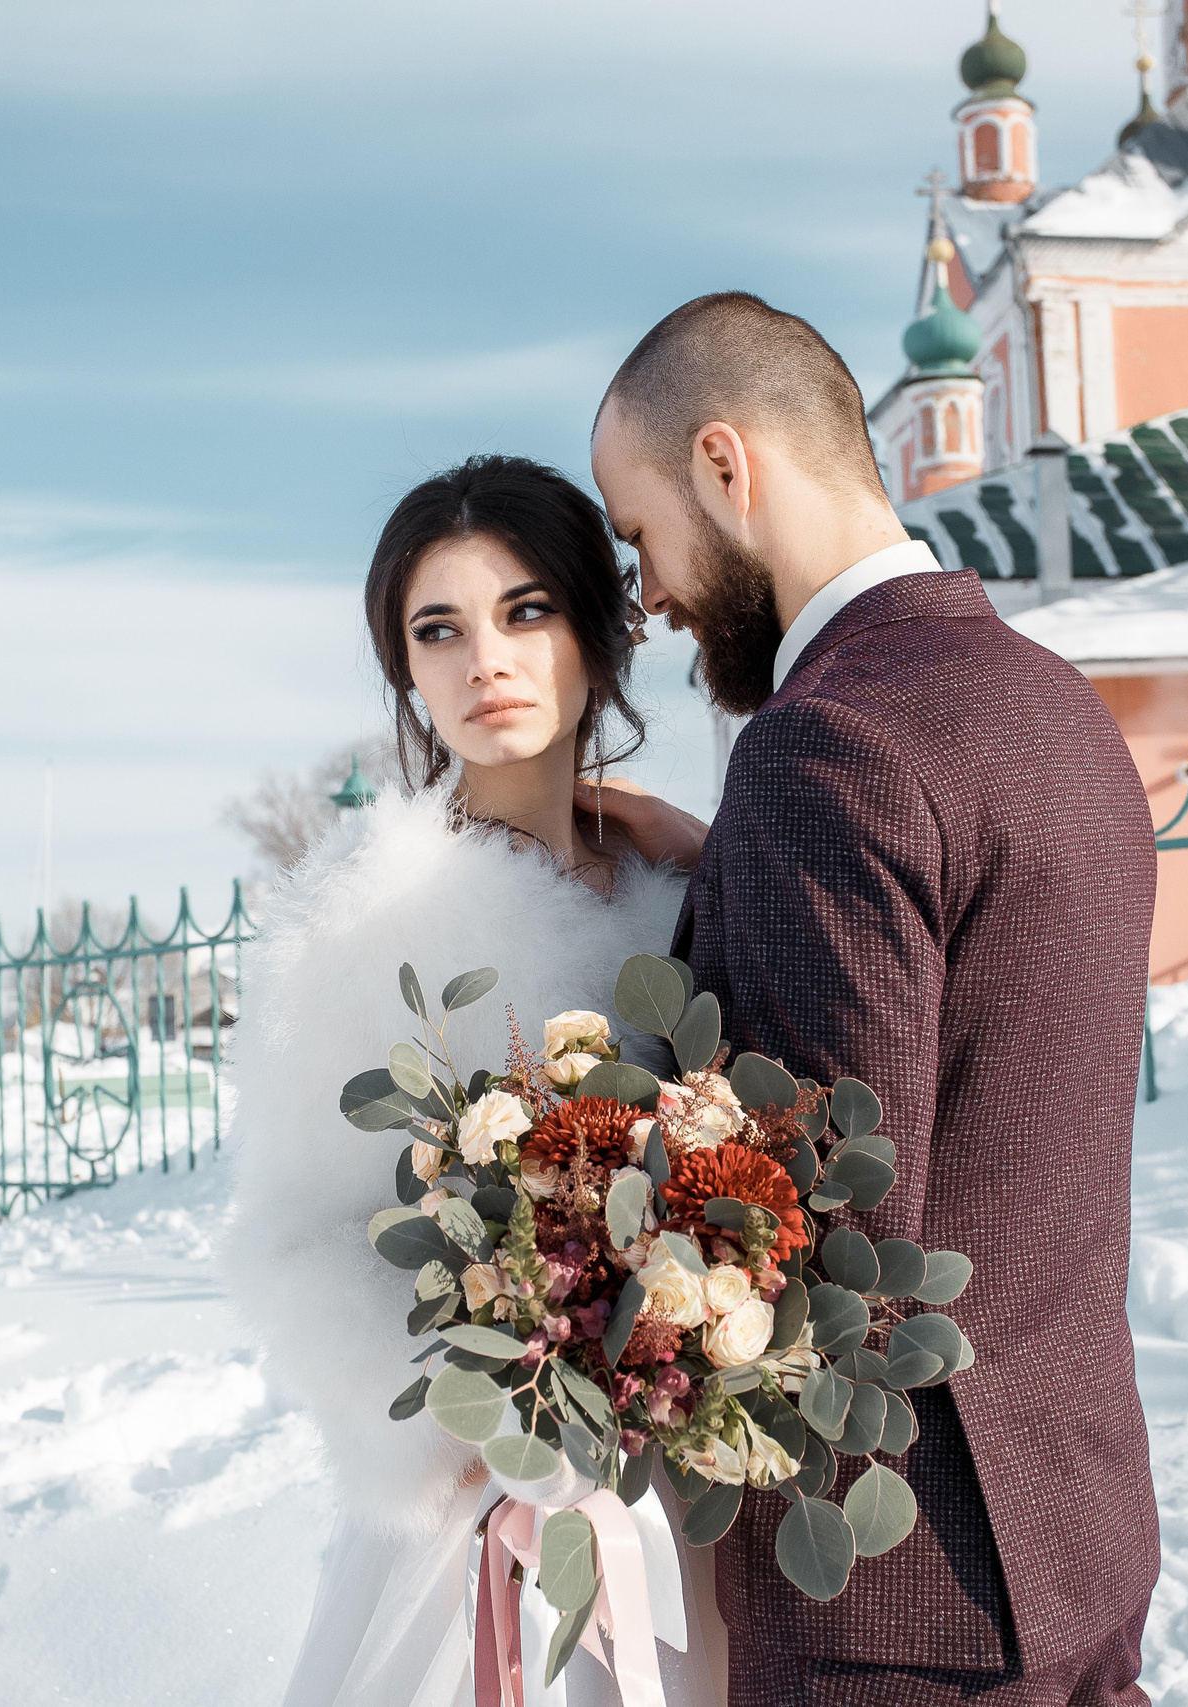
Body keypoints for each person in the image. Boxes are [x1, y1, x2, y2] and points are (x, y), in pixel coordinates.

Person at [585, 294, 1161, 1707]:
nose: (646, 591)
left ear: (726, 463)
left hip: (892, 1604)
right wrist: (729, 870)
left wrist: (562, 1193)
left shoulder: (820, 746)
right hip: (1077, 1526)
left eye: (637, 530)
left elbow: (815, 1222)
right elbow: (972, 1060)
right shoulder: (1053, 705)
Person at [224, 454, 729, 1707]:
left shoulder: (673, 902)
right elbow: (294, 1235)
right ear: (404, 669)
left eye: (524, 611)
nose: (482, 662)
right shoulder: (370, 913)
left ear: (600, 634)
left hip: (689, 1488)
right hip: (480, 1501)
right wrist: (465, 1433)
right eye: (435, 629)